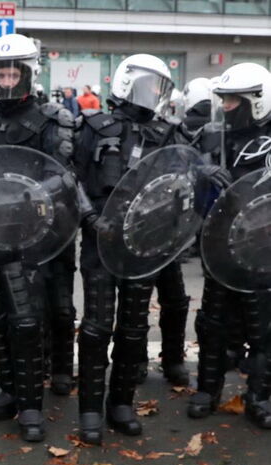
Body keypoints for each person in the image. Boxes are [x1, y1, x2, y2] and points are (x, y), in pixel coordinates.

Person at [73, 54, 200, 443]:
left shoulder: (168, 132)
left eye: (159, 88)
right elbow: (70, 176)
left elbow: (182, 182)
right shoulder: (95, 125)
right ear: (128, 83)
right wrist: (91, 219)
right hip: (100, 243)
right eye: (148, 85)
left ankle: (121, 404)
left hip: (144, 247)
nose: (153, 95)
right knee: (96, 327)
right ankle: (91, 411)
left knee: (133, 328)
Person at [0, 34, 77, 442]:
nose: (8, 79)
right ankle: (10, 391)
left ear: (29, 72)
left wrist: (28, 195)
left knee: (27, 319)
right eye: (2, 72)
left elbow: (62, 173)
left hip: (35, 234)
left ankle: (31, 404)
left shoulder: (53, 118)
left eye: (15, 71)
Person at [187, 62, 271, 429]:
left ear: (257, 101)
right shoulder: (209, 135)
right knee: (213, 323)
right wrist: (200, 172)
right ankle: (207, 389)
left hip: (262, 249)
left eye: (232, 101)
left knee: (264, 327)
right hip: (218, 246)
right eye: (223, 100)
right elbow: (181, 171)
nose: (224, 107)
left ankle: (260, 397)